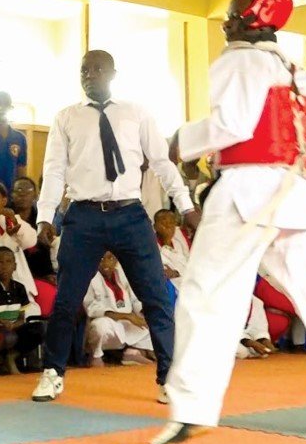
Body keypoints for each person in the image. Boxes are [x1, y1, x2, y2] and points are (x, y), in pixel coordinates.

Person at [153, 0, 306, 444]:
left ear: (257, 19)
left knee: (204, 292)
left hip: (247, 191)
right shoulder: (297, 71)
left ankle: (191, 408)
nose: (227, 22)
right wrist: (297, 189)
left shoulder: (241, 62)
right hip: (291, 196)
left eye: (236, 12)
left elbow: (230, 125)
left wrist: (179, 142)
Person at [32, 49, 198, 406]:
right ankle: (52, 374)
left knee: (156, 297)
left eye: (97, 69)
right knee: (66, 300)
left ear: (112, 73)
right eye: (83, 70)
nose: (89, 75)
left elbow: (161, 161)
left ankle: (168, 377)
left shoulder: (135, 113)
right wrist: (45, 215)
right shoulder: (66, 118)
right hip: (83, 216)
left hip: (130, 214)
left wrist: (185, 204)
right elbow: (54, 169)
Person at [0, 247, 44, 377]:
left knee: (38, 329)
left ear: (15, 266)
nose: (4, 266)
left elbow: (21, 318)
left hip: (10, 330)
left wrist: (13, 325)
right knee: (9, 337)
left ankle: (10, 358)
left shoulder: (20, 288)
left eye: (8, 262)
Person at [0, 182, 40, 315]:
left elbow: (31, 240)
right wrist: (8, 235)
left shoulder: (14, 219)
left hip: (17, 267)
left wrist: (15, 222)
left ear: (4, 201)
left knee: (29, 310)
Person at [84, 252, 155, 367]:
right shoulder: (90, 277)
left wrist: (144, 313)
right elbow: (92, 309)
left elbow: (135, 300)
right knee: (100, 327)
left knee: (152, 322)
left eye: (110, 258)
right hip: (108, 323)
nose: (105, 262)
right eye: (101, 258)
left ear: (116, 260)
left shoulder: (123, 273)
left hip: (126, 323)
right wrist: (128, 316)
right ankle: (96, 355)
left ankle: (132, 352)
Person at [10, 177, 57, 316]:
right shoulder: (6, 217)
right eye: (18, 191)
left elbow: (45, 250)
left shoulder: (42, 221)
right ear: (11, 195)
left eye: (28, 191)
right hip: (14, 275)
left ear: (36, 195)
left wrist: (49, 273)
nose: (23, 194)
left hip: (39, 275)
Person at [154, 210, 189, 289]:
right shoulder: (151, 247)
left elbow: (188, 268)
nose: (168, 226)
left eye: (171, 222)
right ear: (155, 227)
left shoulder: (178, 244)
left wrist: (176, 273)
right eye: (164, 223)